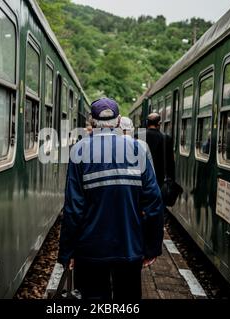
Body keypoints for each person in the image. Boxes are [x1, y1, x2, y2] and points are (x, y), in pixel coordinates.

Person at [58, 98, 164, 300]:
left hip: (90, 249)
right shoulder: (138, 150)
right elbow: (153, 202)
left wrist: (68, 251)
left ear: (92, 121)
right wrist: (152, 247)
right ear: (118, 121)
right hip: (129, 246)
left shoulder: (79, 151)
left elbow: (73, 208)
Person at [145, 113, 175, 188]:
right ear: (159, 124)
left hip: (142, 179)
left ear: (147, 123)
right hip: (159, 181)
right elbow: (171, 164)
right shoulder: (166, 138)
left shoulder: (138, 135)